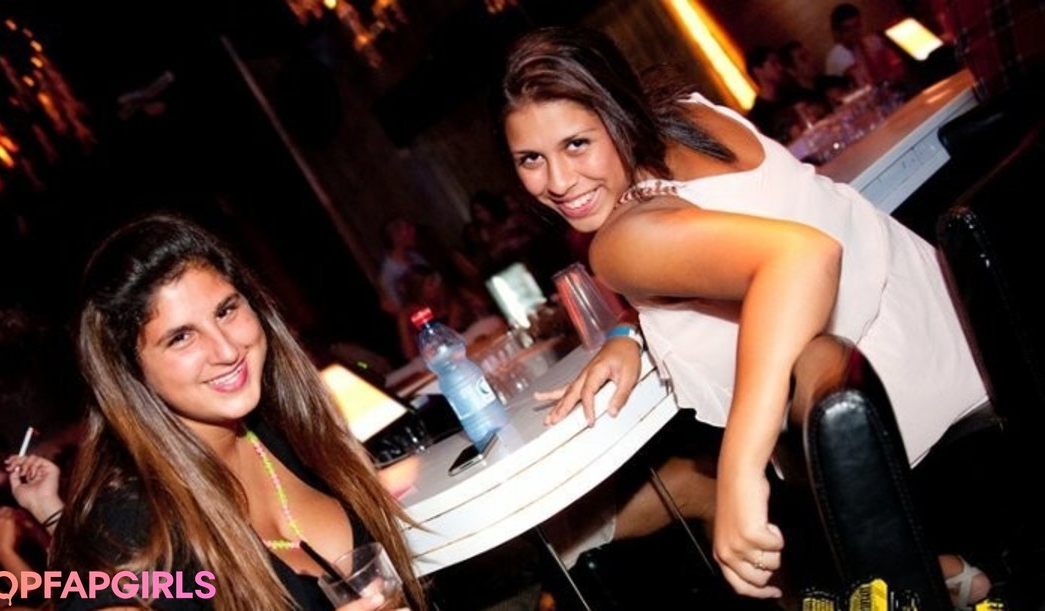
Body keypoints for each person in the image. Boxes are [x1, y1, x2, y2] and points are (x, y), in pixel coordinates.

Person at [499, 26, 991, 606]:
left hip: (898, 434)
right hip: (967, 335)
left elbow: (801, 257)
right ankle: (937, 574)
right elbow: (718, 249)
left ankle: (923, 575)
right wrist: (631, 330)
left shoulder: (620, 242)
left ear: (615, 114)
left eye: (576, 144)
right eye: (531, 159)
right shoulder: (691, 118)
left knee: (740, 528)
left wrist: (739, 471)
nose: (558, 182)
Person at [48, 214, 424, 610]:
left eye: (226, 311)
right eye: (181, 337)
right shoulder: (128, 523)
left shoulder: (283, 428)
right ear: (131, 373)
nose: (227, 351)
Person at [825, 3, 907, 88]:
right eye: (848, 29)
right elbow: (862, 85)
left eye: (857, 26)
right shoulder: (838, 55)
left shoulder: (870, 41)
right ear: (838, 33)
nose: (854, 32)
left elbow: (898, 66)